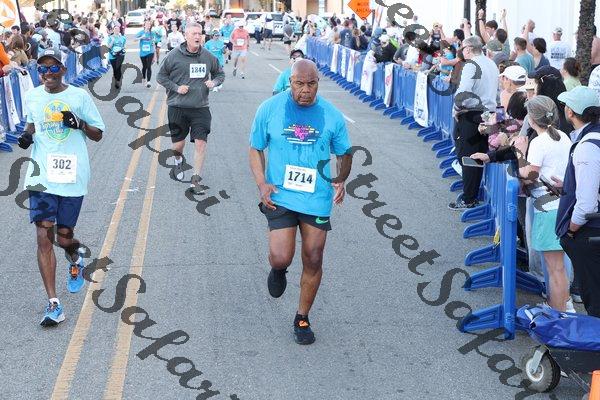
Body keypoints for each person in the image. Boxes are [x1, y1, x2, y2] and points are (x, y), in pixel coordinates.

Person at [249, 59, 353, 345]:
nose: (305, 90)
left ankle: (302, 317)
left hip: (316, 197)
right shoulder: (269, 109)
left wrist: (341, 178)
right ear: (289, 82)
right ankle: (278, 269)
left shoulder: (331, 115)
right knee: (281, 256)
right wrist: (262, 183)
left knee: (314, 256)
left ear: (318, 83)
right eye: (299, 84)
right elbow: (256, 148)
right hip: (280, 194)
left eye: (311, 84)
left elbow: (345, 152)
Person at [17, 48, 105, 326]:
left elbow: (98, 134)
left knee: (64, 238)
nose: (48, 73)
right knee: (43, 236)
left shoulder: (79, 97)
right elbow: (32, 123)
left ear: (63, 70)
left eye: (54, 68)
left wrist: (79, 124)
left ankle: (75, 258)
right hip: (41, 175)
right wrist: (26, 136)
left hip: (71, 176)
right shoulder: (33, 96)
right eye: (43, 69)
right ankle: (54, 303)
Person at [516, 96, 573, 312]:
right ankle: (563, 307)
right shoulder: (563, 136)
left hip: (548, 209)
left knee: (554, 268)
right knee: (558, 267)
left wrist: (520, 151)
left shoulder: (539, 142)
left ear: (531, 119)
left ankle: (558, 313)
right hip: (562, 206)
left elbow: (529, 175)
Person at [157, 22, 225, 194]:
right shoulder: (173, 55)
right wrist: (176, 87)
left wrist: (214, 82)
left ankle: (195, 181)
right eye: (193, 33)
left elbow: (220, 74)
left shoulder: (208, 56)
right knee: (177, 146)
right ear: (185, 36)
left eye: (199, 33)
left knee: (201, 143)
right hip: (177, 107)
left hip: (200, 107)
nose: (197, 36)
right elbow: (161, 77)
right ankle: (178, 160)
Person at [556, 86, 600, 317]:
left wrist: (571, 230)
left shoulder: (587, 146)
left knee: (595, 297)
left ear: (571, 111)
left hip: (590, 228)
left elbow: (586, 204)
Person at [449, 36, 499, 210]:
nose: (461, 52)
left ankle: (469, 198)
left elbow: (464, 91)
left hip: (472, 114)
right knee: (478, 154)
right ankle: (472, 194)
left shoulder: (471, 65)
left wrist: (456, 108)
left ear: (469, 49)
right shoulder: (491, 63)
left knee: (467, 155)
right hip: (487, 113)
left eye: (462, 48)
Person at [136, 20, 155, 88]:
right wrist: (141, 37)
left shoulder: (152, 33)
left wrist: (154, 55)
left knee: (149, 66)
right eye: (147, 24)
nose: (148, 25)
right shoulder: (141, 32)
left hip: (150, 52)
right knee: (144, 67)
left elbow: (153, 43)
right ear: (144, 25)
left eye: (149, 24)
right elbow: (134, 39)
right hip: (143, 53)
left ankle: (148, 81)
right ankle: (144, 78)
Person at [106, 24, 126, 89]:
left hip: (120, 55)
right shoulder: (110, 38)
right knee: (115, 69)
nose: (116, 30)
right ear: (113, 30)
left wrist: (123, 49)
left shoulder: (123, 38)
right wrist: (112, 41)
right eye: (115, 29)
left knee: (118, 67)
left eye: (118, 29)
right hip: (112, 55)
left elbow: (124, 46)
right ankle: (116, 79)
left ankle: (118, 80)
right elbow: (109, 47)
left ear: (119, 30)